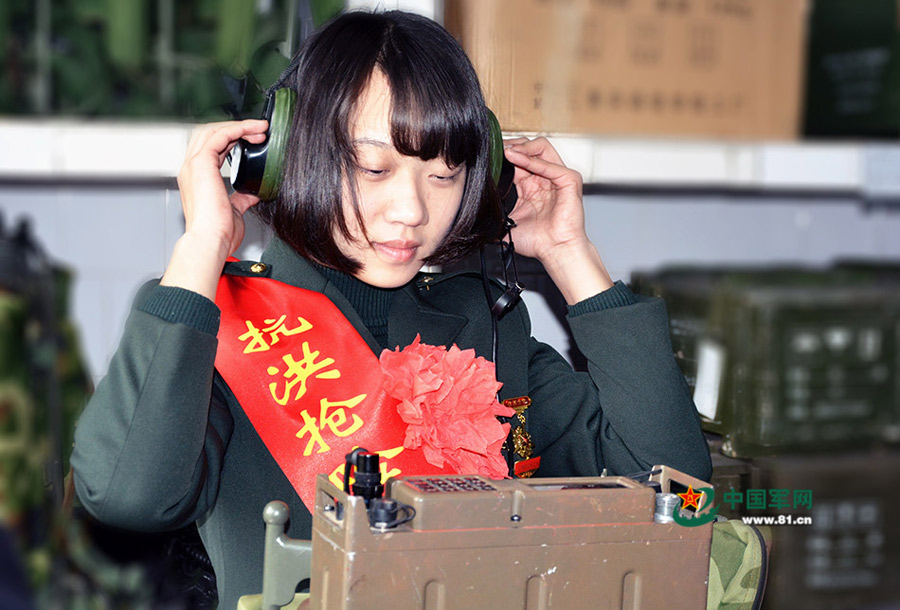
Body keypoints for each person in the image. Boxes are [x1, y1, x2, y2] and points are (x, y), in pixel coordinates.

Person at [71, 10, 711, 608]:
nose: (410, 210)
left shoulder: (484, 324)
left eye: (442, 175)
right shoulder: (217, 328)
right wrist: (203, 247)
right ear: (290, 160)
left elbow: (675, 492)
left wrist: (570, 254)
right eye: (372, 168)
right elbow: (128, 499)